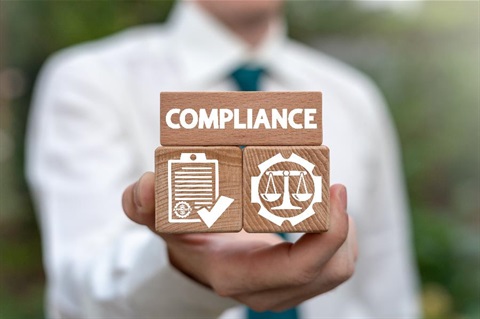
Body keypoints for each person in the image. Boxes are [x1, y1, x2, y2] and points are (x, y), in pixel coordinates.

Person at [26, 0, 420, 318]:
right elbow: (80, 287)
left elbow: (387, 281)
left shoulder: (352, 96)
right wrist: (184, 269)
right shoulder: (90, 80)